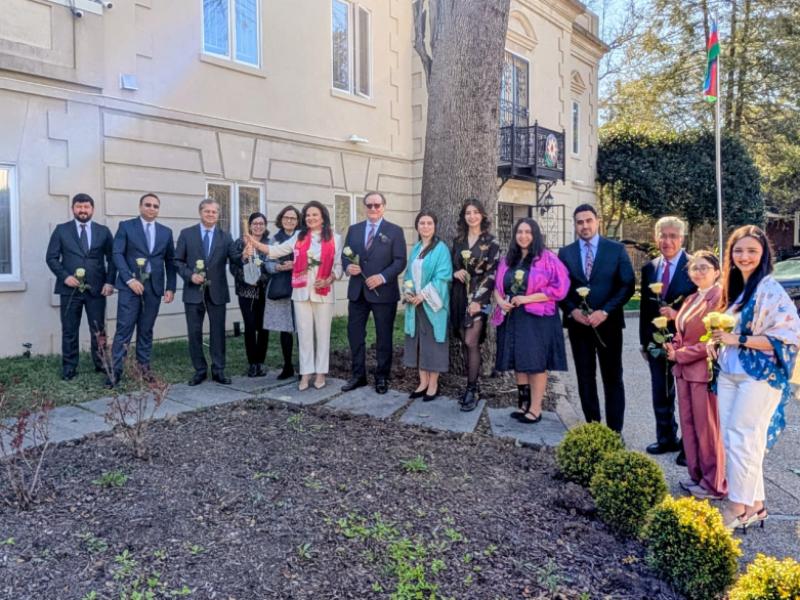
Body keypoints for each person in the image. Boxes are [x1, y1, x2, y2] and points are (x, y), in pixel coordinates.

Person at [709, 225, 800, 531]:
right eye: (738, 250)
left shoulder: (769, 288)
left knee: (741, 436)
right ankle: (757, 503)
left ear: (763, 254)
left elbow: (789, 335)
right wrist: (718, 340)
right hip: (730, 373)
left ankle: (738, 507)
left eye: (751, 250)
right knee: (742, 439)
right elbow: (728, 331)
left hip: (759, 376)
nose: (744, 256)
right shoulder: (734, 289)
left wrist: (740, 340)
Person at [248, 201, 342, 391]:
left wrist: (330, 279)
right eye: (307, 215)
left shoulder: (335, 238)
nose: (310, 218)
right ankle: (306, 373)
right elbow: (275, 251)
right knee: (304, 335)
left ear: (322, 216)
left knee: (322, 334)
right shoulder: (299, 237)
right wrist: (254, 242)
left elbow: (338, 266)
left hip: (323, 293)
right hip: (300, 293)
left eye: (314, 214)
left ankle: (321, 373)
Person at [558, 204, 635, 433]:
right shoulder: (566, 253)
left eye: (588, 220)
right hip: (579, 326)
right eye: (580, 222)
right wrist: (572, 310)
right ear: (575, 225)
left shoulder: (616, 250)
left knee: (612, 378)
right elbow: (560, 289)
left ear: (597, 221)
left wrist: (605, 311)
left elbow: (627, 285)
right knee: (585, 377)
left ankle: (614, 432)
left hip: (608, 324)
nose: (584, 225)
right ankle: (594, 429)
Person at [492, 218, 569, 422]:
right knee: (519, 360)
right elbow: (497, 287)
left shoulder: (547, 259)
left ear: (535, 235)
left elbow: (559, 289)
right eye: (519, 232)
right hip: (513, 317)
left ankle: (536, 408)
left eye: (528, 232)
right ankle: (523, 404)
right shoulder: (508, 260)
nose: (523, 236)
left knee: (535, 362)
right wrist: (500, 302)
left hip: (537, 319)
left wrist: (527, 298)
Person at [665, 251, 727, 500]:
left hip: (703, 371)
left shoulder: (720, 298)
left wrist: (681, 354)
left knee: (707, 429)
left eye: (704, 267)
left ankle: (715, 484)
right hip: (684, 372)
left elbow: (714, 341)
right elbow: (682, 330)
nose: (698, 272)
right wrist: (673, 344)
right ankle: (697, 475)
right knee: (689, 426)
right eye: (694, 268)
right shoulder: (691, 298)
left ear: (716, 271)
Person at [639, 216, 696, 463]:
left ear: (681, 239)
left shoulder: (695, 266)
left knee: (688, 394)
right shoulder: (649, 268)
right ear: (656, 237)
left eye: (673, 236)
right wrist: (645, 342)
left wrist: (678, 314)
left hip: (687, 342)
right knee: (660, 392)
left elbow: (704, 306)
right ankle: (666, 438)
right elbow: (645, 309)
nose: (667, 240)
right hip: (657, 343)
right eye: (663, 235)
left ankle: (689, 446)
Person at [341, 192, 407, 394]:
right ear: (364, 207)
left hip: (383, 293)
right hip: (358, 292)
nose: (373, 209)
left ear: (384, 207)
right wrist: (347, 268)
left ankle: (382, 377)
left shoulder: (394, 231)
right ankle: (358, 376)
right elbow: (345, 256)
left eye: (377, 205)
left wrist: (382, 277)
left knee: (383, 336)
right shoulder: (354, 230)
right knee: (355, 335)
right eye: (369, 205)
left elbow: (400, 261)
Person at [45, 193, 116, 380]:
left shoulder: (103, 231)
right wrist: (65, 276)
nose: (82, 210)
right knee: (69, 329)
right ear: (73, 209)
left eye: (86, 207)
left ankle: (100, 363)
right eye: (79, 207)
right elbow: (51, 258)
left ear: (92, 209)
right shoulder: (62, 230)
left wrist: (110, 282)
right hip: (70, 290)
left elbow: (112, 258)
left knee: (98, 329)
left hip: (97, 289)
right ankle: (69, 367)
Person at [109, 193, 176, 386]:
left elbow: (170, 262)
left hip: (154, 289)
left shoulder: (166, 232)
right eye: (148, 205)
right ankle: (115, 373)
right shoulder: (126, 227)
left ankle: (144, 371)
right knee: (124, 330)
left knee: (146, 330)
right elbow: (117, 254)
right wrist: (129, 279)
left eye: (155, 206)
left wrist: (170, 287)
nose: (151, 208)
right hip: (130, 288)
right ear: (140, 207)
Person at [175, 198, 236, 386]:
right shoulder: (187, 234)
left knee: (218, 333)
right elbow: (177, 261)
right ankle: (199, 370)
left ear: (219, 215)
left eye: (214, 212)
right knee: (195, 333)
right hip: (193, 292)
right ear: (200, 212)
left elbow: (235, 258)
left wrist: (246, 254)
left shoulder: (225, 237)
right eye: (207, 211)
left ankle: (218, 370)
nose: (210, 214)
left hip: (217, 292)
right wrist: (190, 275)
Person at [450, 199, 500, 411]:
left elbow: (492, 274)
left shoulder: (491, 242)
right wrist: (455, 272)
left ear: (482, 215)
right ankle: (473, 385)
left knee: (472, 341)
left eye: (475, 212)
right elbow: (453, 265)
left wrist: (478, 301)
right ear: (464, 216)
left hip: (480, 297)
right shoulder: (458, 241)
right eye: (468, 213)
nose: (472, 216)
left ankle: (472, 389)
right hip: (459, 294)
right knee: (463, 340)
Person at [403, 210, 452, 402]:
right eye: (422, 223)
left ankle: (433, 384)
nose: (425, 227)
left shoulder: (441, 249)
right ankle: (422, 382)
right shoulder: (416, 249)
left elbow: (443, 276)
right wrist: (408, 292)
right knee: (419, 344)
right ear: (417, 226)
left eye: (429, 223)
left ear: (435, 226)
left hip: (433, 304)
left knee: (432, 343)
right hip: (414, 304)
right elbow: (408, 275)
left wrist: (423, 295)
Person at [262, 206, 301, 380]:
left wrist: (296, 265)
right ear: (281, 219)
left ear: (298, 221)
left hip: (301, 286)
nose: (289, 221)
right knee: (285, 329)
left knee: (302, 328)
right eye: (286, 217)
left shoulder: (303, 238)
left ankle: (304, 367)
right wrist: (278, 266)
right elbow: (267, 263)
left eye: (293, 218)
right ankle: (287, 366)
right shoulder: (274, 240)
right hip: (281, 287)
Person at [230, 212, 270, 378]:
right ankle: (252, 363)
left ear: (265, 226)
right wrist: (247, 274)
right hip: (246, 291)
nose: (258, 226)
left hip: (263, 290)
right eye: (255, 223)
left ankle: (260, 362)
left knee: (263, 327)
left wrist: (260, 278)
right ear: (251, 225)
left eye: (261, 223)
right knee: (250, 325)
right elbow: (233, 265)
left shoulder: (269, 244)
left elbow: (272, 266)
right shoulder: (241, 242)